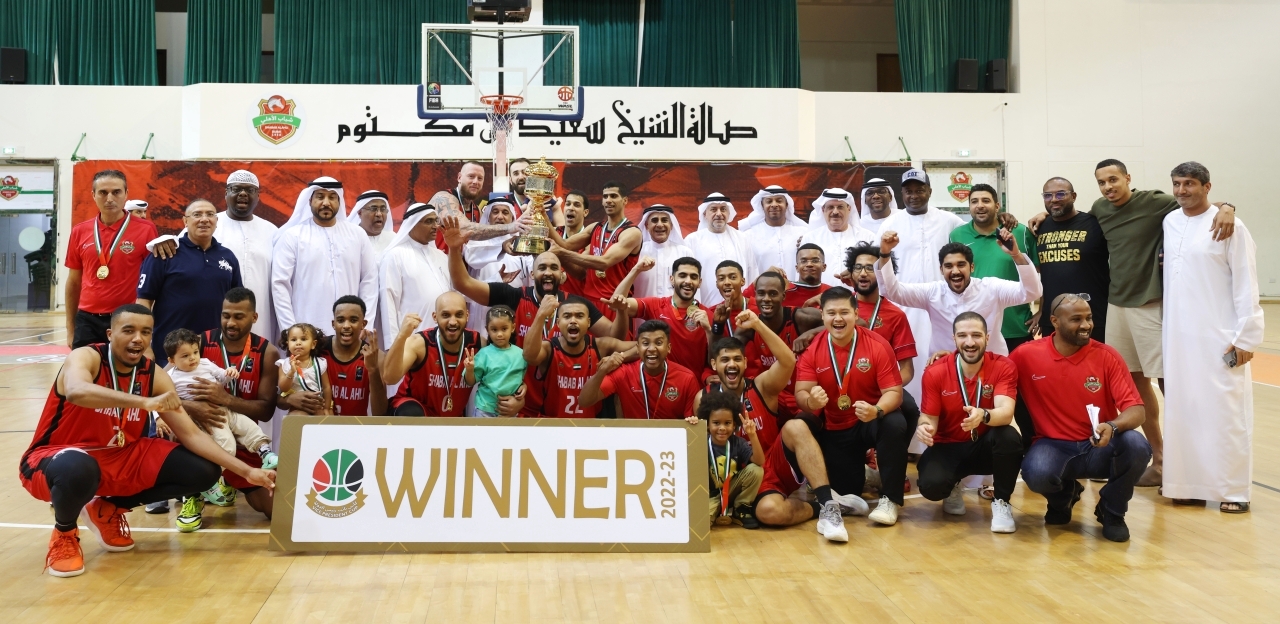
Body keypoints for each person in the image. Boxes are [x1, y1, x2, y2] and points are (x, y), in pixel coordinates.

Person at [21, 304, 274, 578]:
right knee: (78, 466)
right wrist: (143, 402)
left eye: (145, 332)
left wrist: (247, 471)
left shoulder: (153, 374)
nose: (137, 338)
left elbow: (191, 434)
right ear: (110, 334)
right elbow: (76, 390)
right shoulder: (87, 357)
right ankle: (64, 534)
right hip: (56, 458)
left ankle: (108, 509)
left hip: (122, 455)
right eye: (128, 330)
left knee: (204, 470)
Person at [1028, 159, 1237, 487]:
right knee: (1135, 387)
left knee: (1170, 385)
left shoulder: (1153, 201)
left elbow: (1195, 202)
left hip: (1149, 305)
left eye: (1113, 179)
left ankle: (1190, 461)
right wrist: (1044, 214)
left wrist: (1227, 207)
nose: (1108, 187)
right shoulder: (1100, 209)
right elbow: (1069, 217)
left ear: (1127, 178)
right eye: (1102, 182)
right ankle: (1161, 459)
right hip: (1116, 306)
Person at [1160, 162, 1262, 513]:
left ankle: (1234, 491)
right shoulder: (1170, 221)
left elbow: (1247, 282)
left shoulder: (1231, 225)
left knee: (1226, 411)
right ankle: (1186, 485)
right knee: (1183, 408)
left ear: (1207, 187)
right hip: (1178, 337)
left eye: (1189, 183)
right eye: (1177, 183)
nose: (1181, 190)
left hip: (1221, 334)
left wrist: (1247, 337)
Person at [1012, 294, 1150, 542]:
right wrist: (950, 360)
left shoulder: (1107, 356)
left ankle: (1112, 510)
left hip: (1099, 445)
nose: (1086, 325)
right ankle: (1064, 496)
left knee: (1137, 445)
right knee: (1036, 472)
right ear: (1054, 321)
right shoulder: (1025, 355)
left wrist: (1112, 426)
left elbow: (1137, 410)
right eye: (1076, 319)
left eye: (1089, 318)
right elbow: (992, 374)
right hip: (1052, 445)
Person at [794, 287, 908, 526]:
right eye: (831, 313)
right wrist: (811, 402)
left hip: (870, 418)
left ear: (856, 314)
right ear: (822, 316)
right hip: (837, 427)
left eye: (844, 312)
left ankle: (890, 499)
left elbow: (894, 393)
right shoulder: (813, 350)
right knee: (848, 491)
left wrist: (876, 410)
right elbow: (801, 392)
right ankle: (868, 475)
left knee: (895, 422)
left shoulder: (877, 345)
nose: (838, 318)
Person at [915, 312, 1022, 533]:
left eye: (976, 335)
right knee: (931, 486)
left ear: (987, 338)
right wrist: (924, 427)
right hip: (948, 445)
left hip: (984, 445)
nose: (970, 342)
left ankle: (1002, 502)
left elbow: (1006, 412)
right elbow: (929, 417)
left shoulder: (1003, 366)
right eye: (963, 335)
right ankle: (952, 485)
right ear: (954, 339)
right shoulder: (935, 371)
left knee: (1009, 437)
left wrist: (983, 415)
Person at [161, 328, 276, 531]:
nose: (192, 358)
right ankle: (200, 487)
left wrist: (228, 376)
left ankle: (265, 453)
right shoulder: (171, 374)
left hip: (224, 410)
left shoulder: (264, 351)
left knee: (249, 427)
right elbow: (158, 397)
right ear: (172, 360)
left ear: (254, 318)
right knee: (226, 446)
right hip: (205, 422)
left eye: (194, 353)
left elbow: (223, 377)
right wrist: (175, 413)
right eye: (185, 356)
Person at [445, 215, 612, 347]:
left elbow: (612, 333)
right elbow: (463, 283)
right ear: (532, 273)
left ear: (561, 274)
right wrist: (453, 248)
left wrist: (623, 311)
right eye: (542, 268)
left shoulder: (576, 305)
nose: (548, 272)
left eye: (554, 268)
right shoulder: (514, 296)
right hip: (521, 379)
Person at [150, 170, 278, 338]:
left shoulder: (272, 231)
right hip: (214, 319)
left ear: (258, 196)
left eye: (250, 190)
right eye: (236, 189)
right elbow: (178, 247)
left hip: (262, 313)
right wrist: (164, 240)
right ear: (226, 194)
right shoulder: (208, 223)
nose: (243, 194)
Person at [873, 169, 962, 404]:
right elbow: (878, 261)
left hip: (942, 303)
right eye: (909, 191)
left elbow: (975, 236)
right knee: (908, 359)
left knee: (941, 358)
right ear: (901, 194)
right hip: (903, 305)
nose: (914, 196)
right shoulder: (890, 223)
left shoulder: (950, 220)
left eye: (919, 190)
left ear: (930, 191)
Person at [877, 232, 1042, 357]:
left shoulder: (992, 288)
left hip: (991, 367)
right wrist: (884, 253)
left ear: (972, 267)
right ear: (941, 270)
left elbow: (1031, 292)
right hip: (944, 368)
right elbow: (892, 292)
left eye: (961, 265)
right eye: (949, 266)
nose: (955, 271)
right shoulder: (932, 292)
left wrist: (1016, 254)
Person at [192, 287, 281, 519]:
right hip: (206, 438)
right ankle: (193, 495)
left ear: (254, 317)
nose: (230, 323)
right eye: (226, 315)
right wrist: (193, 407)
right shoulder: (200, 343)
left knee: (275, 508)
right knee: (174, 430)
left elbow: (266, 410)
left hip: (244, 443)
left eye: (239, 317)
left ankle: (227, 482)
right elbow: (167, 386)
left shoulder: (267, 352)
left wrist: (226, 399)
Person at [136, 199, 242, 366]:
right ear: (185, 221)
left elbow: (237, 304)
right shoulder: (165, 253)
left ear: (216, 221)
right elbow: (144, 301)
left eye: (210, 214)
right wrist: (145, 344)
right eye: (197, 214)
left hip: (215, 350)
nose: (204, 219)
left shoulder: (228, 256)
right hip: (170, 352)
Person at [270, 177, 379, 333]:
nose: (326, 203)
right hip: (305, 330)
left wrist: (364, 325)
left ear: (339, 202)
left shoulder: (357, 234)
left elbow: (369, 281)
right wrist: (290, 330)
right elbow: (280, 285)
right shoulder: (292, 236)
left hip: (350, 331)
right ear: (310, 201)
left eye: (332, 197)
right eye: (320, 197)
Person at [64, 170, 160, 348]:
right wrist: (70, 329)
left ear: (126, 194)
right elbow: (73, 282)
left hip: (127, 318)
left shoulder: (146, 229)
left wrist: (147, 323)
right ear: (93, 195)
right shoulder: (79, 231)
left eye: (116, 192)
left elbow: (153, 280)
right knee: (82, 364)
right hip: (87, 320)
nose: (109, 198)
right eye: (103, 192)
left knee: (125, 366)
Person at [694, 309, 800, 457]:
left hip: (768, 467)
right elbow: (703, 444)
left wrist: (757, 324)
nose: (732, 364)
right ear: (714, 364)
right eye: (725, 360)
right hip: (726, 468)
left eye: (737, 359)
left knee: (797, 427)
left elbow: (788, 361)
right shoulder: (703, 397)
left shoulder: (762, 387)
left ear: (745, 362)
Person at [948, 183, 1040, 351]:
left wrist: (1043, 310)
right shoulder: (957, 235)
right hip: (975, 329)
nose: (980, 205)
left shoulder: (1020, 233)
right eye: (974, 201)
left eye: (986, 200)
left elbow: (1043, 273)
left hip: (1016, 326)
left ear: (997, 206)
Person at [522, 294, 635, 419]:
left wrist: (622, 356)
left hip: (591, 425)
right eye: (567, 316)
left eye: (579, 316)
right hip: (554, 424)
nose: (573, 321)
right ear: (558, 323)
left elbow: (642, 346)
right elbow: (528, 356)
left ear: (588, 322)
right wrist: (541, 314)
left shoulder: (601, 346)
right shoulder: (549, 348)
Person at [607, 256, 713, 378]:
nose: (688, 281)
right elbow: (615, 304)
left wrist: (708, 331)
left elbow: (714, 359)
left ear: (699, 282)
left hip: (693, 384)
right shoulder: (655, 305)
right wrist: (636, 270)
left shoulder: (708, 316)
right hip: (658, 383)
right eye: (682, 275)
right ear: (672, 279)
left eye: (693, 277)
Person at [550, 181, 642, 321]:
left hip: (614, 303)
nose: (608, 200)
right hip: (589, 302)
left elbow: (604, 263)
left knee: (615, 337)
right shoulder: (595, 227)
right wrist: (543, 216)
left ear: (625, 200)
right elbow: (565, 244)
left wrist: (562, 253)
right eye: (605, 197)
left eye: (613, 196)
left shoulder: (631, 232)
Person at [1033, 177, 1110, 341]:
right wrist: (1041, 310)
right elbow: (1046, 275)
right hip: (1053, 316)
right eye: (1048, 195)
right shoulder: (1039, 227)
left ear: (1073, 196)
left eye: (1061, 194)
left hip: (1091, 316)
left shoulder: (1095, 224)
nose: (1054, 199)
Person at [384, 293, 484, 417]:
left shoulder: (477, 343)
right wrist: (401, 336)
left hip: (452, 416)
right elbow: (389, 378)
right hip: (415, 411)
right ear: (435, 317)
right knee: (411, 413)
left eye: (459, 315)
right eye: (446, 315)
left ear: (467, 316)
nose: (453, 322)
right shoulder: (419, 343)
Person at [738, 271, 822, 416]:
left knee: (797, 426)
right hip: (773, 398)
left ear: (783, 296)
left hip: (803, 397)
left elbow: (855, 323)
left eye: (773, 294)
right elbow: (725, 352)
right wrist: (715, 328)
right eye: (761, 293)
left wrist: (811, 333)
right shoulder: (750, 326)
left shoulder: (801, 318)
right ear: (755, 295)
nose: (766, 299)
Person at [580, 320, 701, 419]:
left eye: (658, 343)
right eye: (645, 343)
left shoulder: (687, 378)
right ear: (637, 348)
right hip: (634, 440)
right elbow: (584, 401)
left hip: (671, 440)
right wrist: (602, 371)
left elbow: (692, 425)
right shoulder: (624, 373)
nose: (652, 349)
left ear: (669, 348)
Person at [378, 202, 451, 350]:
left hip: (444, 336)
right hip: (411, 339)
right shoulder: (395, 255)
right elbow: (388, 301)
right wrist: (392, 346)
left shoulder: (441, 256)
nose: (435, 226)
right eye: (429, 221)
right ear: (412, 225)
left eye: (436, 221)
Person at [463, 193, 536, 332]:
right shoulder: (476, 242)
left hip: (516, 308)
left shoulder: (521, 243)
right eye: (495, 212)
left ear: (512, 218)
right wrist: (502, 248)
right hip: (483, 309)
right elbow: (472, 259)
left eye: (505, 212)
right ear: (488, 216)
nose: (500, 217)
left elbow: (533, 271)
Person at [700, 390, 764, 529]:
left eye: (727, 423)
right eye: (716, 423)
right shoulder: (700, 442)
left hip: (731, 490)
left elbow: (759, 461)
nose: (722, 428)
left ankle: (740, 508)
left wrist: (752, 435)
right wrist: (692, 425)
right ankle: (716, 511)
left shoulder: (738, 442)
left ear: (734, 424)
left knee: (756, 470)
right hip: (709, 496)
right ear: (707, 424)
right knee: (701, 525)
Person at [684, 193, 756, 305]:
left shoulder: (742, 238)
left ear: (729, 213)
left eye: (723, 209)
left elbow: (752, 272)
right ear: (705, 214)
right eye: (713, 209)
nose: (719, 214)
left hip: (740, 308)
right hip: (705, 307)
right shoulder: (692, 240)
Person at [321, 296, 386, 416]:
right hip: (321, 423)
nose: (346, 325)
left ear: (363, 324)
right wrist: (288, 399)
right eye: (340, 320)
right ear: (333, 324)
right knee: (297, 414)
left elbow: (380, 414)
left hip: (356, 426)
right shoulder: (318, 349)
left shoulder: (377, 357)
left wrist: (373, 370)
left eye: (353, 320)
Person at [799, 188, 878, 286]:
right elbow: (801, 274)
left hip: (855, 294)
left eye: (840, 207)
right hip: (819, 294)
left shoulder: (868, 237)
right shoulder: (810, 238)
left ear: (849, 209)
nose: (835, 212)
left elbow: (876, 271)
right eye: (830, 207)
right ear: (823, 210)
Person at [464, 306, 527, 418]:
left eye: (504, 329)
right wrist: (469, 369)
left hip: (509, 412)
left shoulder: (521, 354)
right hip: (484, 410)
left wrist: (524, 386)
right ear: (487, 329)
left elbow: (520, 379)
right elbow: (470, 382)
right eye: (494, 329)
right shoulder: (484, 354)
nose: (499, 334)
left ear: (512, 328)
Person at [741, 185, 807, 281]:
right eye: (769, 201)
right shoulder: (748, 235)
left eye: (779, 201)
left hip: (796, 288)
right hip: (763, 289)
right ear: (762, 206)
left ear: (786, 204)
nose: (774, 205)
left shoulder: (802, 233)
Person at [634, 204, 694, 298]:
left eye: (664, 220)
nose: (659, 225)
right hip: (643, 306)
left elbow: (693, 286)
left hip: (674, 307)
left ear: (671, 225)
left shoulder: (685, 253)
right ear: (646, 225)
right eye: (654, 220)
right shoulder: (636, 253)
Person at [277, 323, 332, 415]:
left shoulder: (320, 363)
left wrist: (327, 408)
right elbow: (283, 388)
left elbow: (326, 387)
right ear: (288, 344)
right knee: (297, 417)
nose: (298, 343)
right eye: (293, 340)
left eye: (303, 339)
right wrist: (291, 372)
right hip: (297, 407)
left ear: (313, 344)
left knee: (326, 418)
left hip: (318, 406)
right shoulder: (284, 364)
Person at [556, 190, 591, 296]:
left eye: (576, 205)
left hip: (579, 301)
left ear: (585, 212)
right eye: (568, 204)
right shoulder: (554, 234)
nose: (571, 208)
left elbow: (580, 273)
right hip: (553, 301)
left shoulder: (590, 241)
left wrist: (559, 253)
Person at [347, 189, 396, 257]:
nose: (379, 214)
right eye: (373, 209)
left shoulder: (394, 240)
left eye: (383, 209)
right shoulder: (348, 239)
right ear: (360, 213)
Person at [709, 261, 751, 339]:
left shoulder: (759, 308)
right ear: (717, 284)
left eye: (733, 277)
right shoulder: (711, 313)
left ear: (742, 281)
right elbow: (712, 346)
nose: (727, 282)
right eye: (721, 279)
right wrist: (718, 324)